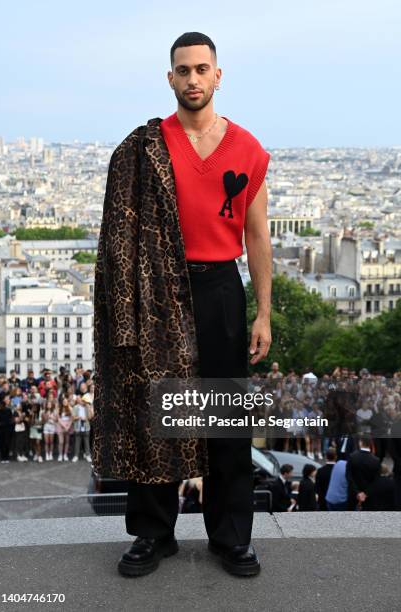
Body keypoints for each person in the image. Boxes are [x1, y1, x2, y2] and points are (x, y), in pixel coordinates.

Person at [92, 31, 272, 578]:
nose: (192, 79)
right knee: (158, 416)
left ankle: (231, 537)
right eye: (183, 70)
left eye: (201, 69)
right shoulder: (145, 146)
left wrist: (264, 310)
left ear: (218, 75)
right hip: (155, 294)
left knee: (225, 419)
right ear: (169, 78)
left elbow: (258, 237)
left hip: (219, 288)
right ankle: (153, 534)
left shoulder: (247, 148)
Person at [345, 435, 381, 510]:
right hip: (368, 497)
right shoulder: (376, 460)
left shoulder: (352, 457)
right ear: (370, 443)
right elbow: (376, 480)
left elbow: (348, 476)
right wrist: (365, 494)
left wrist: (357, 492)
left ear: (360, 442)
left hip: (353, 495)